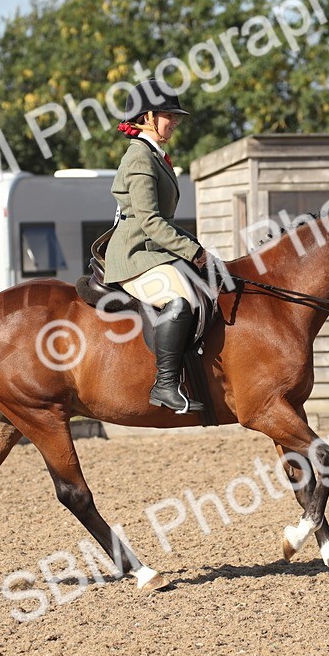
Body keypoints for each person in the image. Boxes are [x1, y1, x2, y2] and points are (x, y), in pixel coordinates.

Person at [102, 79, 210, 414]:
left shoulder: (155, 155)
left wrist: (196, 247)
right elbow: (150, 221)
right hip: (134, 255)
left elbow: (163, 221)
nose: (175, 121)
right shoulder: (139, 157)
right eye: (168, 115)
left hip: (153, 251)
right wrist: (192, 251)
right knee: (182, 300)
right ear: (148, 117)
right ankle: (165, 385)